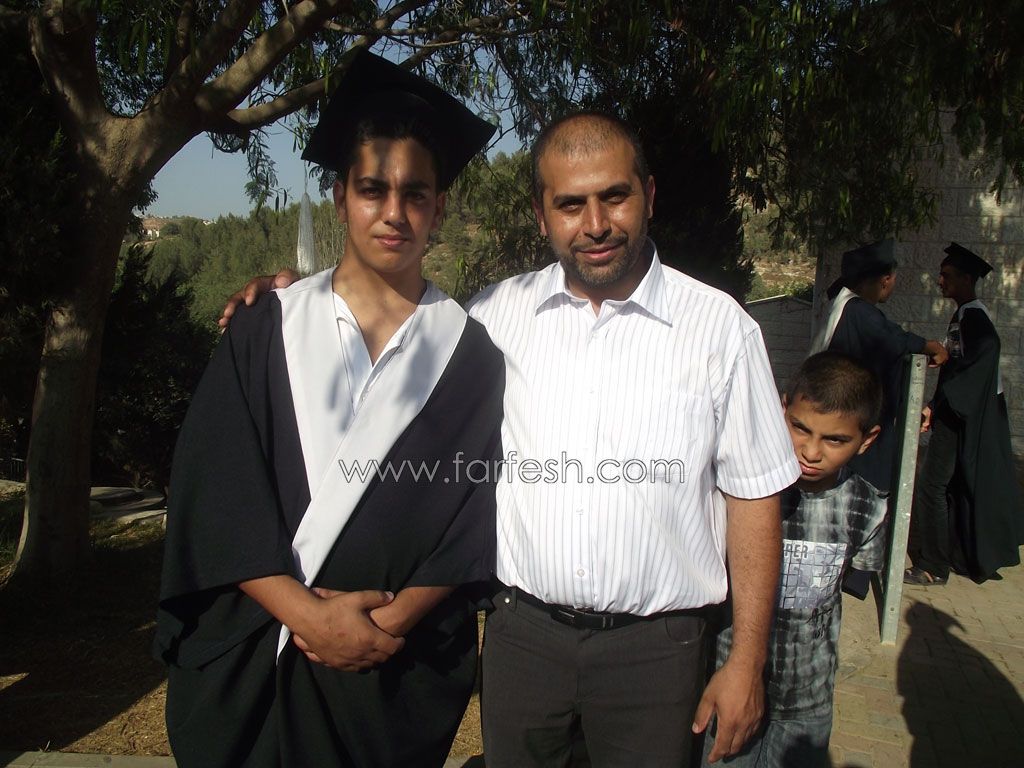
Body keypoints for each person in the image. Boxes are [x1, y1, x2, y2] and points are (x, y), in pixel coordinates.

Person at [226, 111, 800, 766]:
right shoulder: (491, 319)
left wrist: (747, 661)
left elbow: (755, 497)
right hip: (523, 644)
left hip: (656, 655)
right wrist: (290, 298)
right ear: (540, 214)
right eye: (570, 204)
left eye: (614, 196)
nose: (595, 224)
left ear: (648, 194)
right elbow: (391, 339)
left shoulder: (721, 330)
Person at [155, 50, 504, 768]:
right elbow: (215, 494)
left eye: (416, 194)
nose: (394, 213)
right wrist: (308, 618)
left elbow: (472, 521)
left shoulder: (469, 356)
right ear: (341, 196)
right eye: (373, 190)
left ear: (439, 207)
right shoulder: (266, 329)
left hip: (386, 673)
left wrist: (386, 624)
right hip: (256, 654)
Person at [701, 351, 886, 767]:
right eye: (800, 428)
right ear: (781, 409)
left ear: (867, 439)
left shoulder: (869, 508)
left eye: (835, 439)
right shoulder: (738, 492)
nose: (811, 451)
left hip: (808, 699)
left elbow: (851, 584)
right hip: (729, 683)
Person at [905, 242, 1023, 586]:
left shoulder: (974, 317)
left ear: (967, 280)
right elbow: (957, 368)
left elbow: (984, 356)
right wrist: (934, 404)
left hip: (960, 418)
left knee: (931, 487)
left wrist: (946, 405)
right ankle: (960, 556)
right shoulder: (963, 315)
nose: (940, 281)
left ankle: (932, 566)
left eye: (947, 275)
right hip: (955, 412)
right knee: (951, 487)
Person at [809, 238, 948, 492]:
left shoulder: (846, 307)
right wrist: (930, 346)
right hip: (849, 421)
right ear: (885, 280)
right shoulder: (858, 311)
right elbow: (892, 339)